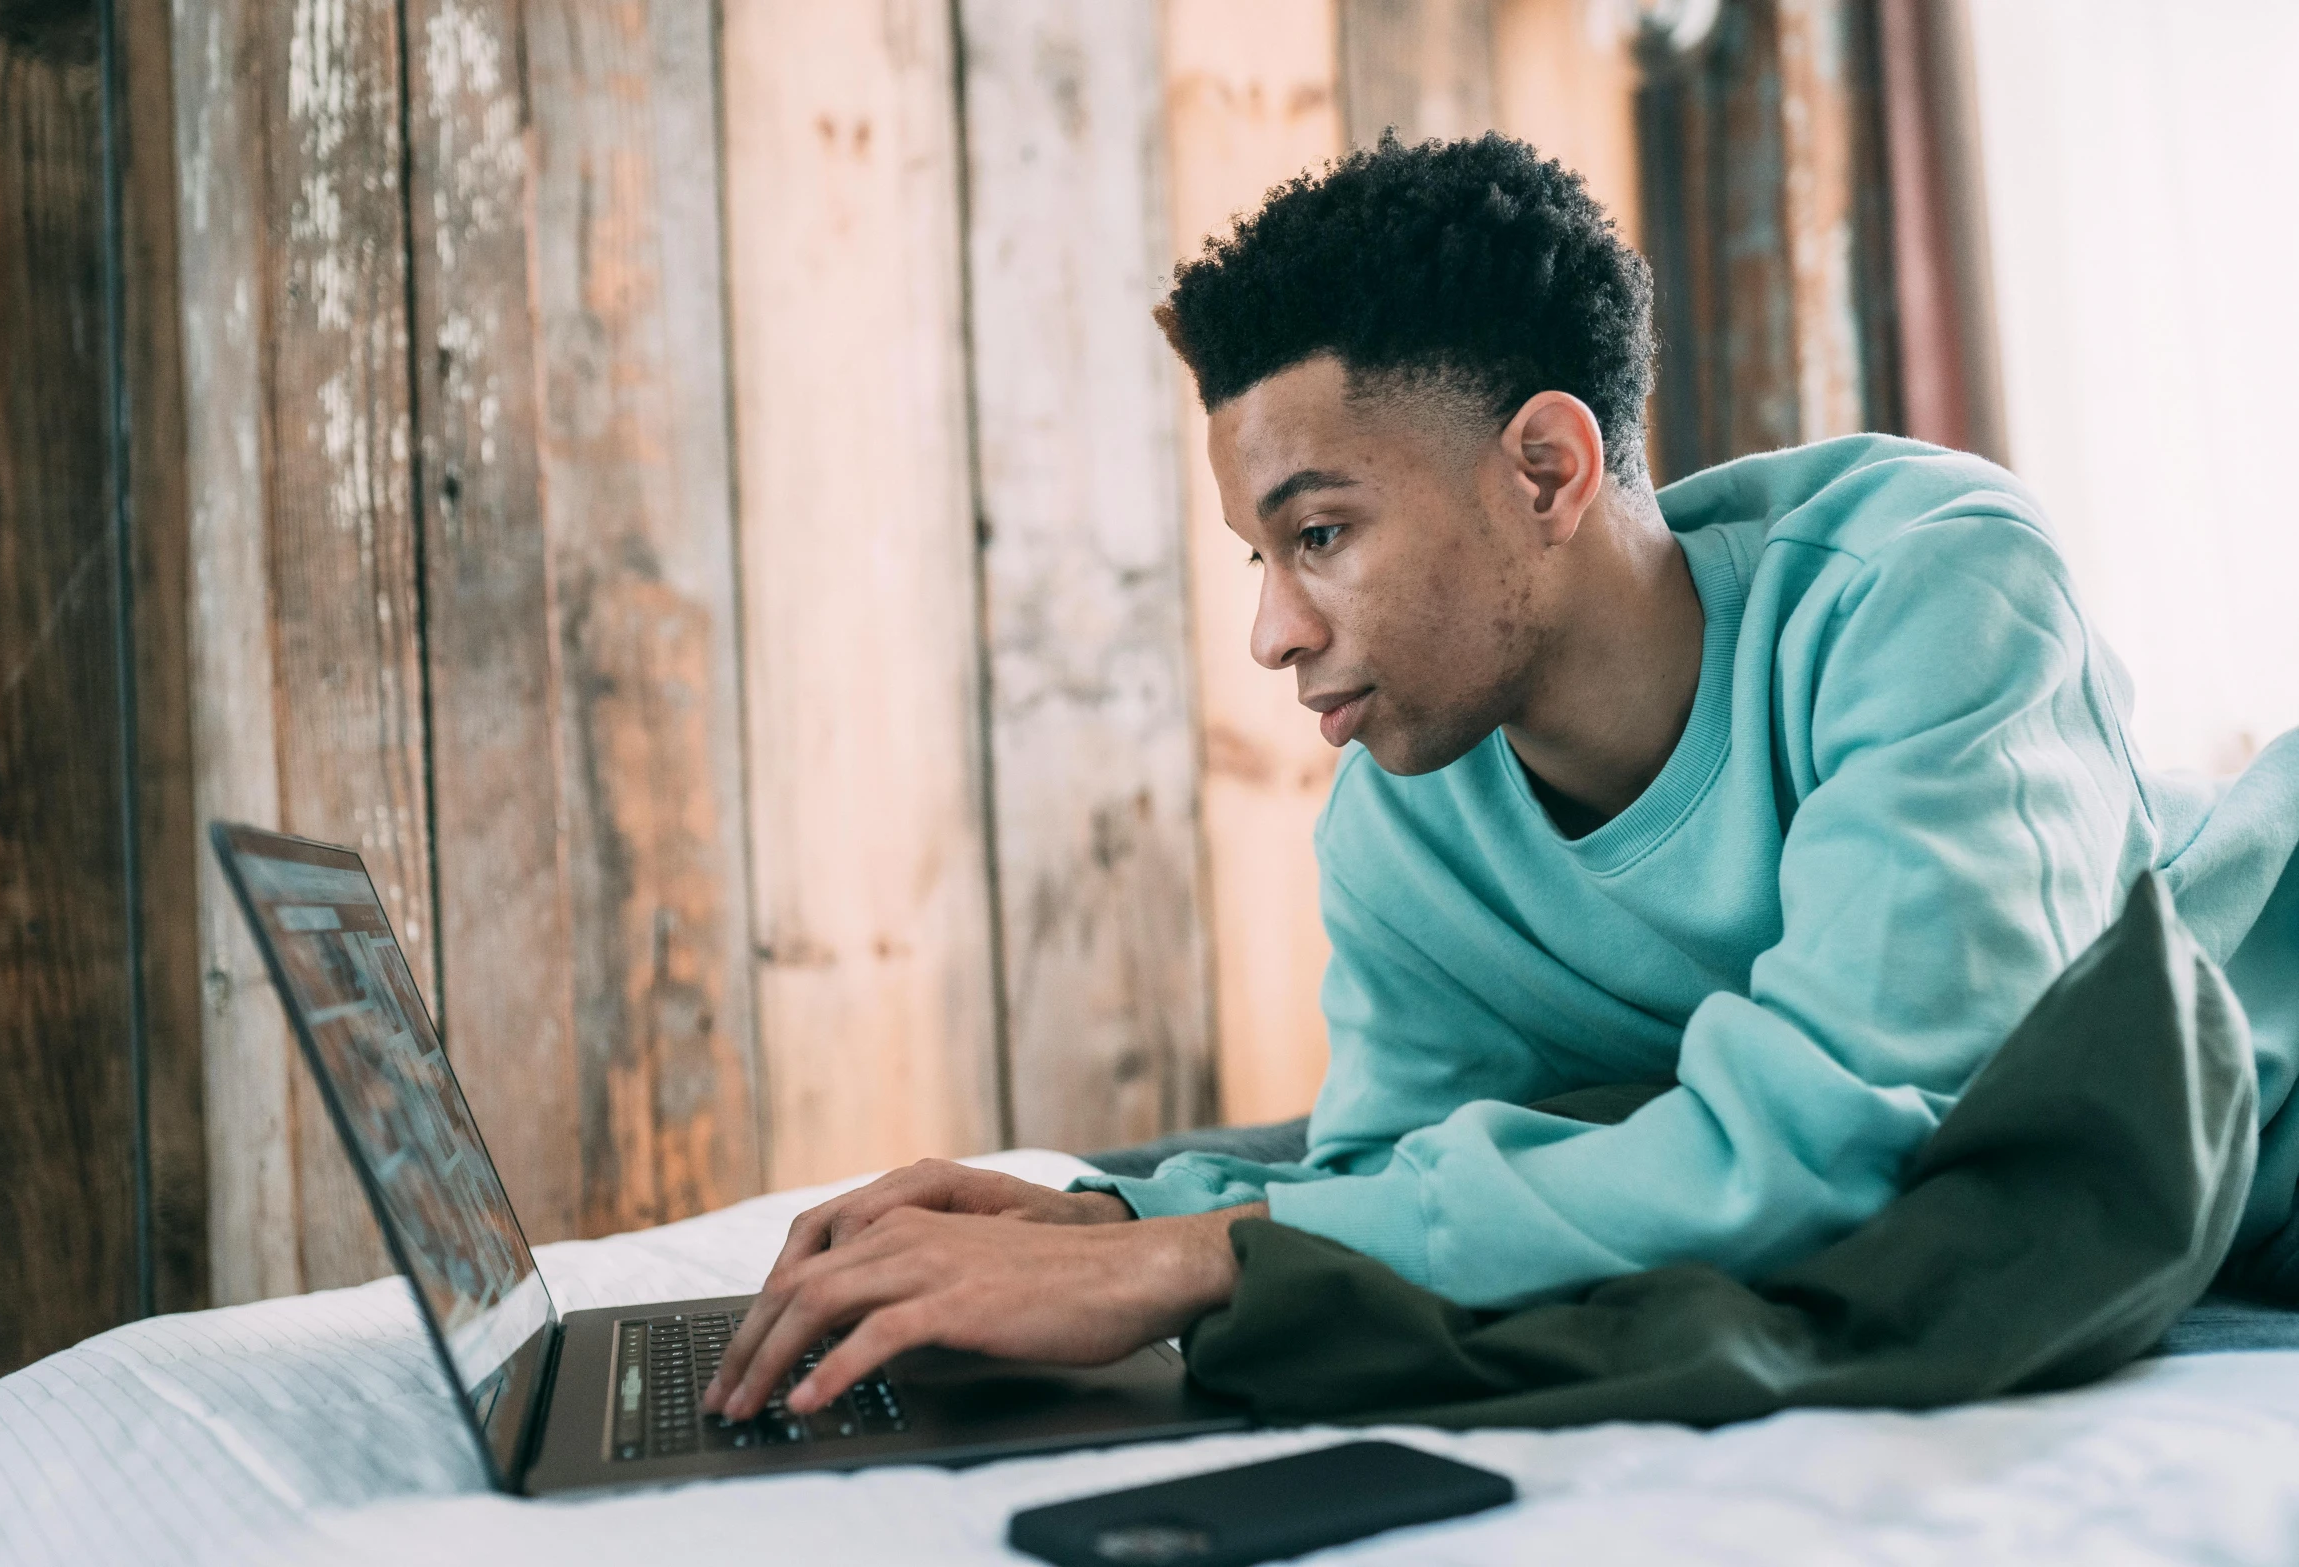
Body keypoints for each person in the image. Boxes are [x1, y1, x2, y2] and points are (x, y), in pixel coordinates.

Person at [702, 133, 2299, 1427]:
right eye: (1258, 557)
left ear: (1545, 468)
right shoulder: (1402, 818)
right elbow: (1397, 1183)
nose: (1270, 630)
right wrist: (1114, 1225)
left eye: (1319, 534)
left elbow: (1843, 1129)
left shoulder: (1927, 587)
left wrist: (1194, 1252)